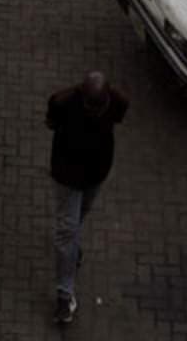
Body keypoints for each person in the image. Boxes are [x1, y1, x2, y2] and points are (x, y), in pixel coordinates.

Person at [47, 72, 129, 327]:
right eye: (90, 107)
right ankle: (64, 294)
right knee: (67, 231)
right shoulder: (62, 102)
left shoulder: (116, 100)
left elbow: (120, 113)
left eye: (99, 107)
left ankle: (73, 252)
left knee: (78, 219)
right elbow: (51, 121)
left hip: (95, 175)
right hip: (68, 177)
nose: (95, 112)